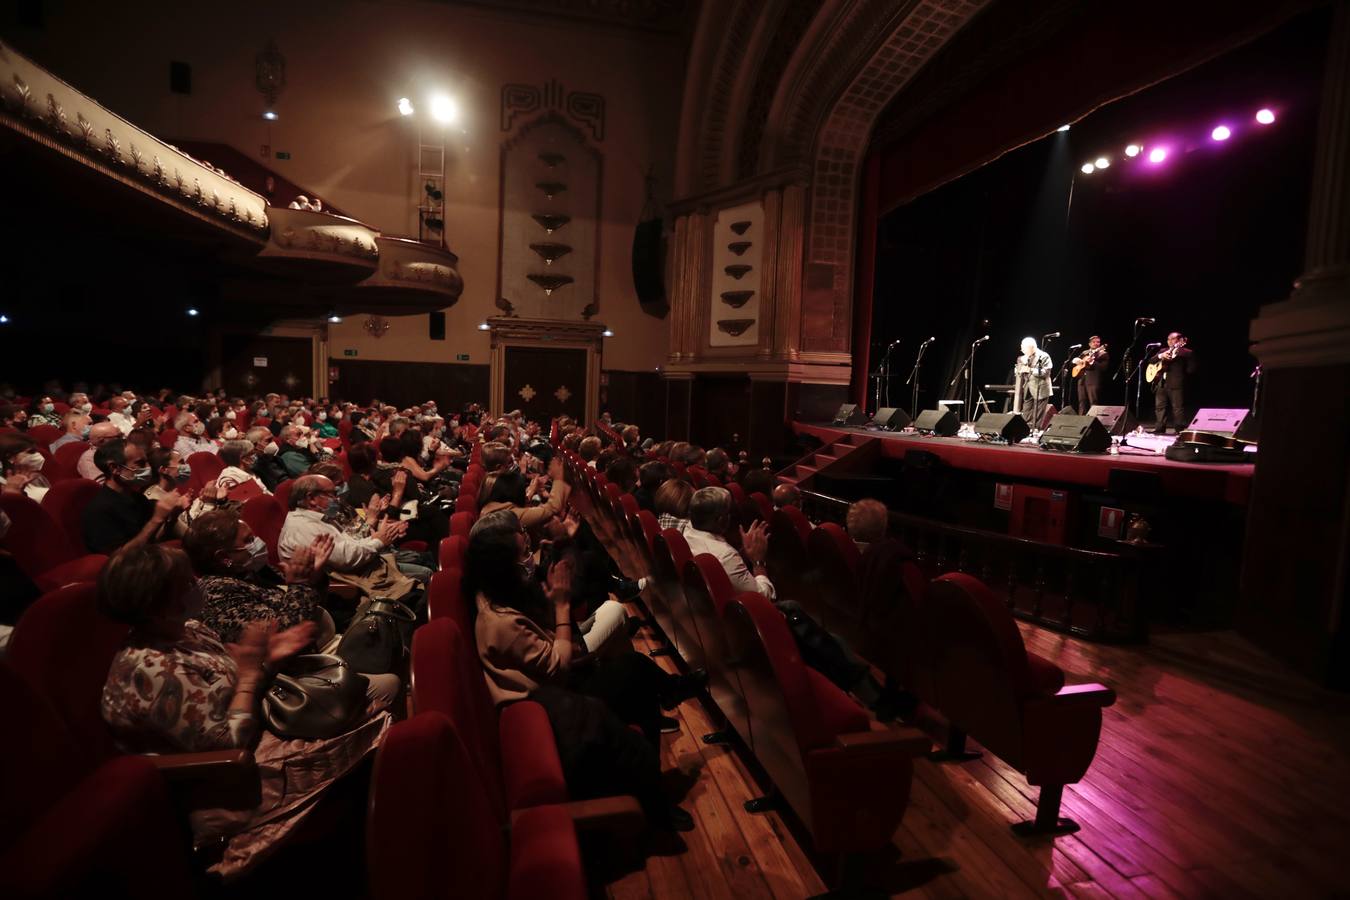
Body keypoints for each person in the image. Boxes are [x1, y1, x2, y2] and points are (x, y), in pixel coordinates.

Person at [98, 544, 395, 880]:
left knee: (370, 702)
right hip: (223, 776)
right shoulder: (152, 670)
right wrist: (255, 672)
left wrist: (268, 659)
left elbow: (236, 676)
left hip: (255, 725)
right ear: (158, 606)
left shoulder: (188, 629)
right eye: (186, 583)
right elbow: (227, 745)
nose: (197, 585)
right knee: (375, 726)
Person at [466, 511, 700, 832]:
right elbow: (558, 668)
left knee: (634, 673)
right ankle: (653, 798)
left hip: (551, 695)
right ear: (501, 564)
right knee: (635, 673)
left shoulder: (501, 595)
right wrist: (561, 604)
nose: (531, 557)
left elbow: (549, 644)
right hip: (546, 711)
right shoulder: (498, 619)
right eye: (523, 552)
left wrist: (551, 603)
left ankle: (653, 788)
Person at [183, 508, 337, 646]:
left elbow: (306, 602)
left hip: (322, 641)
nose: (257, 543)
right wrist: (301, 584)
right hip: (301, 668)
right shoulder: (217, 593)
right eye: (248, 540)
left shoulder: (251, 570)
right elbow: (280, 639)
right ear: (224, 557)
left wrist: (312, 576)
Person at [277, 474, 411, 576]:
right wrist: (378, 540)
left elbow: (350, 543)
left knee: (423, 565)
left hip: (362, 568)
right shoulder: (303, 527)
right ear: (311, 499)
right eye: (333, 494)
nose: (337, 499)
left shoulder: (320, 517)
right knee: (424, 574)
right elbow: (346, 559)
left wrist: (381, 535)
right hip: (349, 581)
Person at [81, 438, 188, 554]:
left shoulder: (138, 498)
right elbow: (119, 557)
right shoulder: (99, 509)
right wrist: (157, 519)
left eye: (147, 462)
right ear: (114, 468)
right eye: (140, 463)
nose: (148, 468)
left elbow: (154, 539)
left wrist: (173, 514)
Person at [682, 487, 773, 598]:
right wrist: (758, 562)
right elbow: (762, 596)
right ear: (721, 520)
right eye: (729, 512)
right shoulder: (725, 556)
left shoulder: (687, 528)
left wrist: (744, 552)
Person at [1149, 332, 1196, 434]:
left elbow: (1191, 369)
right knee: (1159, 407)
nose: (1169, 341)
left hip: (1176, 383)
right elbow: (1151, 361)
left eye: (1172, 339)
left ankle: (1179, 430)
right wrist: (1161, 356)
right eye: (1168, 339)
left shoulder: (1187, 352)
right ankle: (1159, 428)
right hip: (1161, 382)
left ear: (1179, 340)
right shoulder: (1163, 350)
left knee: (1177, 408)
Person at [1015, 336, 1053, 430]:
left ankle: (1035, 430)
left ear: (1032, 347)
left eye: (1024, 347)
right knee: (1026, 410)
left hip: (1041, 387)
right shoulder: (1023, 357)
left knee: (1038, 412)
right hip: (1028, 386)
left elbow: (1045, 372)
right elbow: (1019, 372)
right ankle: (1025, 429)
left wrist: (1030, 370)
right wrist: (1018, 370)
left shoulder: (1043, 355)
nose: (1021, 349)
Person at [0, 432, 50, 502]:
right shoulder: (3, 486)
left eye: (36, 451)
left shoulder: (38, 477)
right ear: (10, 457)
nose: (37, 455)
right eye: (31, 452)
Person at [1074, 335, 1111, 413]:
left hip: (1093, 380)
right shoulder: (1085, 353)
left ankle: (1094, 421)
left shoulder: (1103, 354)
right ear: (1089, 344)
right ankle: (1081, 421)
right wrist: (1075, 361)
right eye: (1093, 342)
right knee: (1082, 401)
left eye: (1098, 342)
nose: (1096, 343)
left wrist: (1093, 362)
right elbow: (1077, 364)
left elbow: (1103, 368)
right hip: (1081, 379)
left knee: (1093, 402)